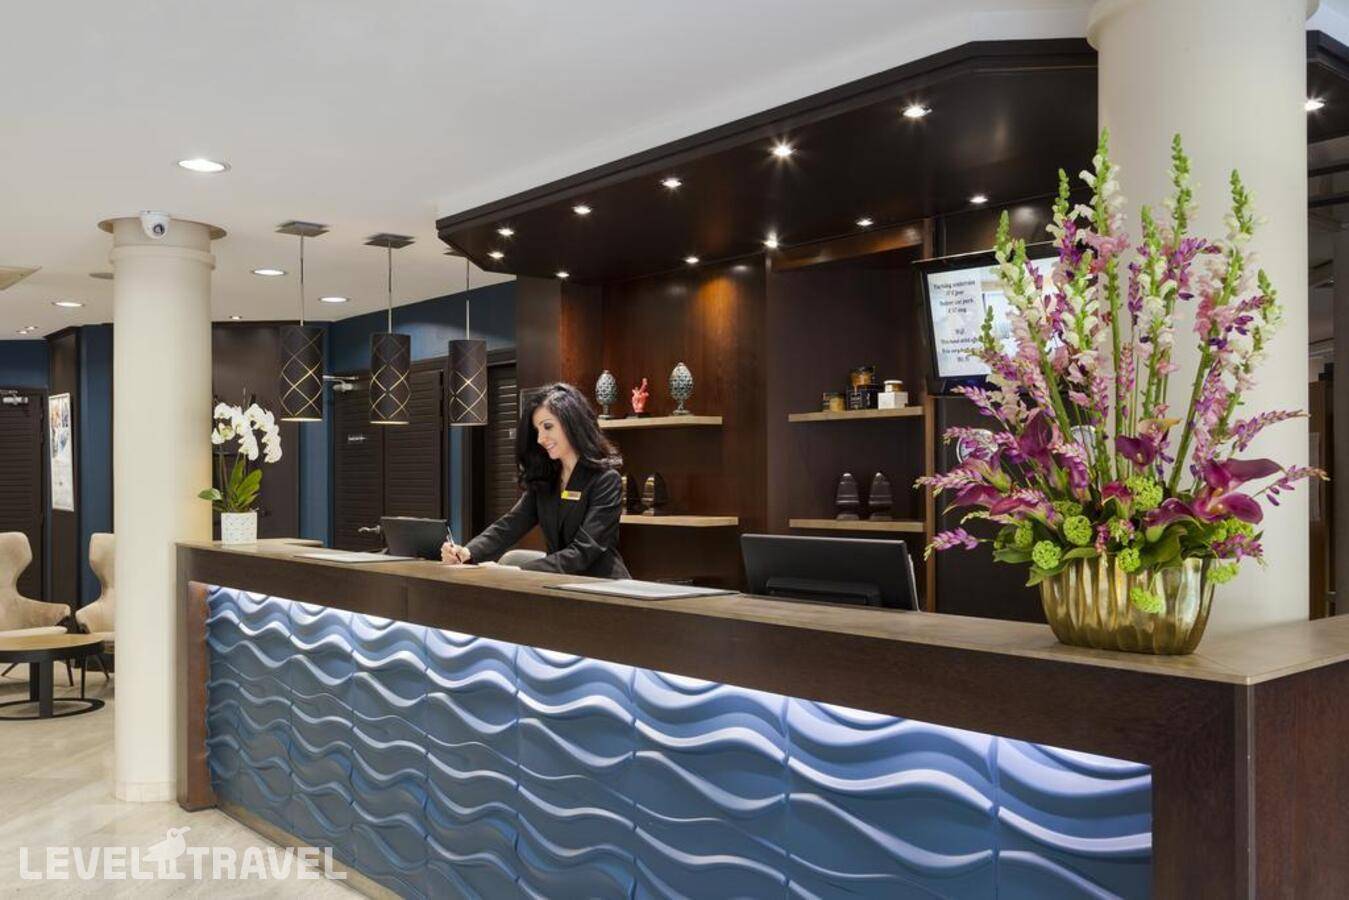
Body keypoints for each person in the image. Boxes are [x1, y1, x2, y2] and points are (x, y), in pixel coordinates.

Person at [441, 382, 631, 578]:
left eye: (548, 426)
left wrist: (517, 572)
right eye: (537, 430)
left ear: (572, 422)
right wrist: (467, 552)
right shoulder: (546, 479)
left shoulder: (606, 480)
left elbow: (585, 551)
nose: (540, 438)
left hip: (604, 586)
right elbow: (510, 525)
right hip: (558, 584)